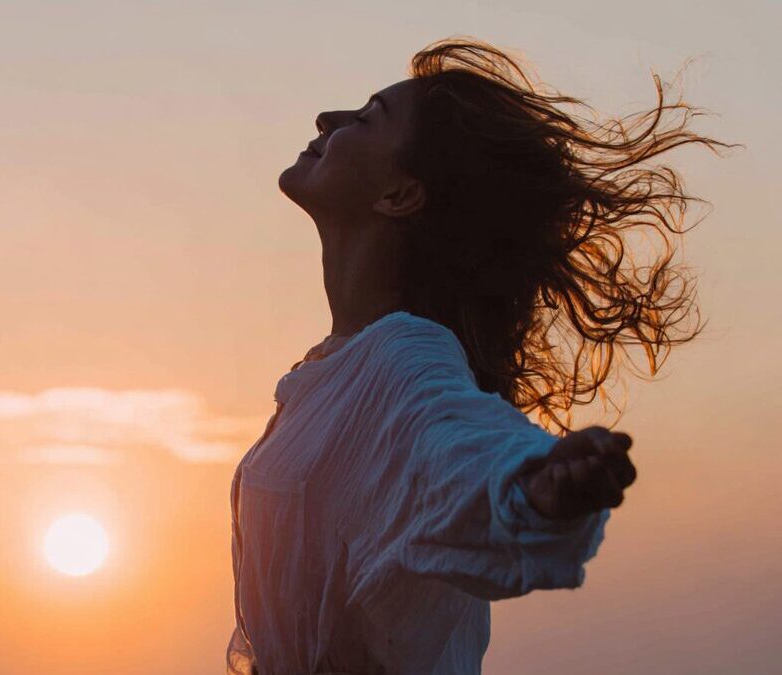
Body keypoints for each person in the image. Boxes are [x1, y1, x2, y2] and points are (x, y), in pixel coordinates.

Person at [226, 36, 736, 675]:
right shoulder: (334, 370)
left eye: (366, 119)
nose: (328, 120)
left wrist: (537, 482)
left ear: (399, 195)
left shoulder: (403, 359)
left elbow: (462, 448)